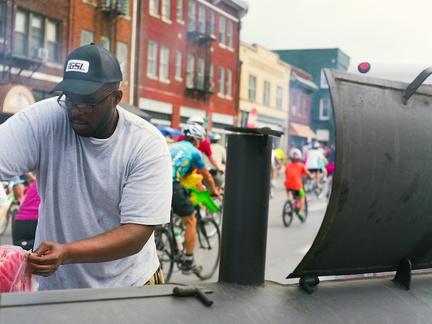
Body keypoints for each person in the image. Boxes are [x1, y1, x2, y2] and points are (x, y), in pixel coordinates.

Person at [0, 43, 172, 290]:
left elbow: (136, 233)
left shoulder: (146, 144)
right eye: (69, 100)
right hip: (56, 289)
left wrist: (67, 252)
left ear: (116, 98)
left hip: (128, 286)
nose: (74, 111)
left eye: (88, 103)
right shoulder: (44, 119)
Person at [170, 124, 220, 274]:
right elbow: (208, 177)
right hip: (172, 185)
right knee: (191, 221)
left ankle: (161, 238)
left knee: (165, 218)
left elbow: (184, 170)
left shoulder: (172, 146)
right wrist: (214, 192)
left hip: (153, 183)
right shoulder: (195, 152)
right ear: (197, 139)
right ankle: (189, 261)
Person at [284, 148, 313, 222]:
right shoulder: (301, 165)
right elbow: (308, 174)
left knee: (287, 186)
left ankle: (289, 199)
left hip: (288, 185)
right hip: (297, 185)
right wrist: (311, 177)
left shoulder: (288, 165)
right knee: (302, 196)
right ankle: (300, 212)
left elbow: (286, 174)